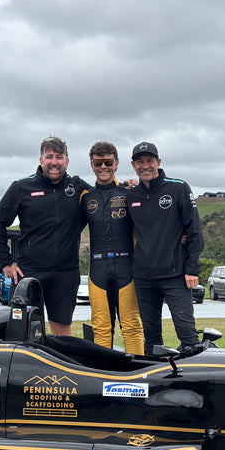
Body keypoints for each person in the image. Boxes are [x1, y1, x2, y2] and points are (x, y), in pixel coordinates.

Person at [0, 137, 91, 336]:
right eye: (49, 156)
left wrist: (125, 186)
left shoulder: (77, 186)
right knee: (26, 332)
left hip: (66, 273)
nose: (54, 161)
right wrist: (6, 262)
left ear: (67, 161)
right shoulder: (21, 187)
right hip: (29, 272)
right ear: (41, 160)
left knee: (62, 335)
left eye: (59, 157)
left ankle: (58, 368)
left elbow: (102, 199)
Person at [126, 141, 204, 354]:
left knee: (188, 336)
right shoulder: (131, 195)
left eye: (150, 161)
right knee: (151, 340)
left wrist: (192, 269)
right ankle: (156, 382)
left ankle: (194, 378)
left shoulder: (178, 188)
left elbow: (194, 230)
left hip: (175, 275)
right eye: (140, 162)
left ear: (158, 162)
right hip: (143, 278)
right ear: (133, 165)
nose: (145, 166)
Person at [80, 141, 144, 354]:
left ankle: (138, 377)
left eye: (108, 162)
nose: (103, 167)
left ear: (116, 164)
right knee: (101, 329)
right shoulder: (85, 196)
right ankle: (102, 376)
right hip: (97, 269)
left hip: (127, 267)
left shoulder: (130, 191)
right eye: (98, 163)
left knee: (132, 326)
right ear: (92, 165)